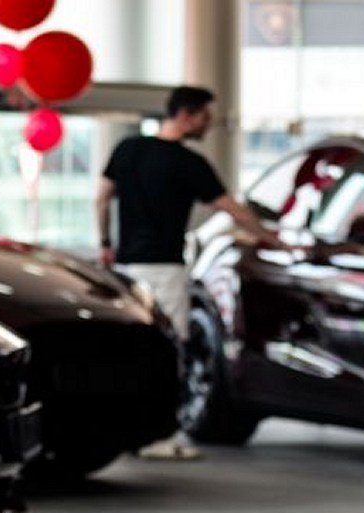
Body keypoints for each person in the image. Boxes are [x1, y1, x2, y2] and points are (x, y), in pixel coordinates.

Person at [96, 85, 278, 460]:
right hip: (164, 266)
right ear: (187, 115)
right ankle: (159, 437)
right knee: (169, 349)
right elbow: (233, 209)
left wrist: (105, 242)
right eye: (205, 118)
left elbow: (101, 197)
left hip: (127, 266)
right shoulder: (188, 163)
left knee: (131, 351)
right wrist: (270, 239)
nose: (208, 126)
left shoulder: (128, 150)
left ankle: (129, 432)